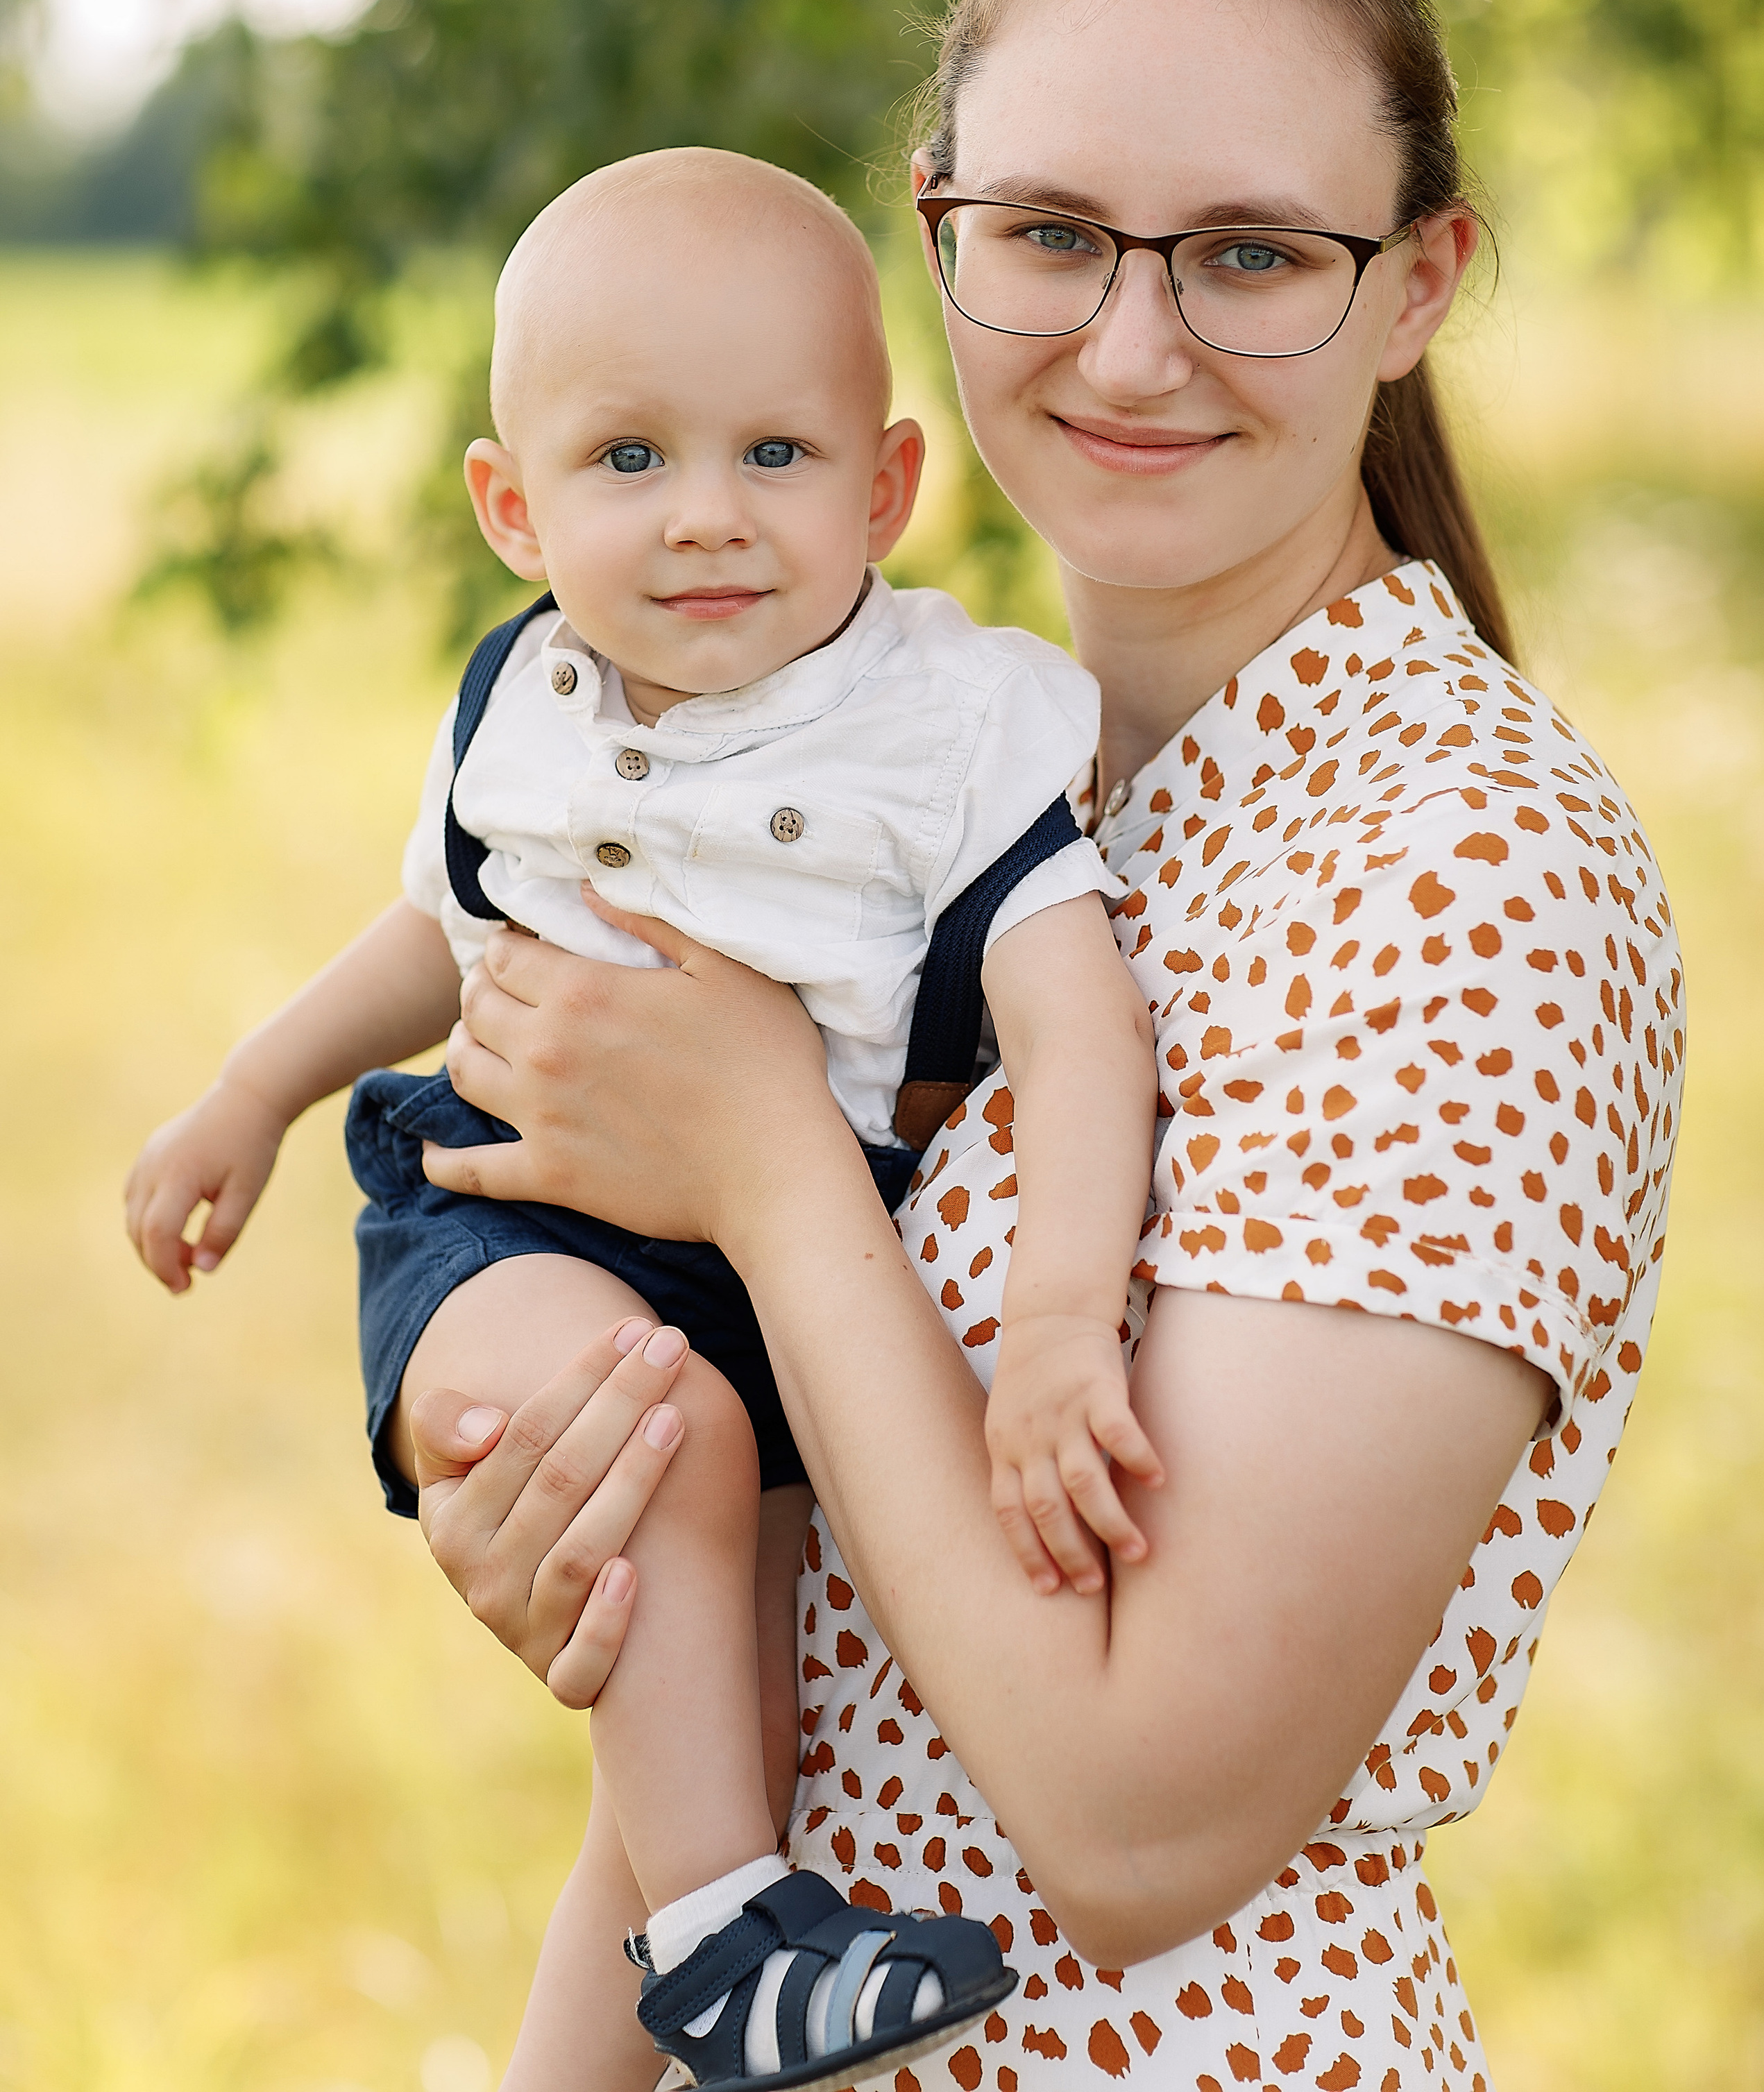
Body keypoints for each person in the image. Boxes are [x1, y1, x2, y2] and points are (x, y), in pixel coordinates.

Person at [396, 0, 1685, 2092]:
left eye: (1258, 255)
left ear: (1419, 285)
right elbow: (812, 1671)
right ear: (941, 242)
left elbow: (1136, 1814)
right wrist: (622, 1511)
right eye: (1055, 237)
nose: (1129, 345)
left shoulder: (1464, 865)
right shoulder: (939, 773)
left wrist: (771, 1173)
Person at [123, 147, 1171, 2090]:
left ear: (884, 487)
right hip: (508, 1218)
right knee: (650, 1454)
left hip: (793, 1272)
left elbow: (1083, 1029)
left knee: (729, 1667)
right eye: (628, 463)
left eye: (774, 456)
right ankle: (727, 1953)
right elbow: (438, 935)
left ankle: (670, 1979)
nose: (706, 519)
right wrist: (253, 1091)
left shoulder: (955, 727)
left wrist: (1051, 1323)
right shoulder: (532, 697)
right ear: (512, 508)